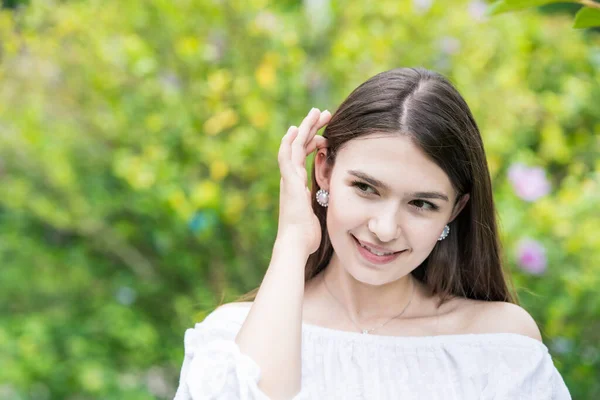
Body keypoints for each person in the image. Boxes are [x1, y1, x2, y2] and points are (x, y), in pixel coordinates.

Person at [173, 67, 572, 399]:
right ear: (324, 169)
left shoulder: (497, 344)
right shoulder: (232, 337)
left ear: (456, 210)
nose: (384, 229)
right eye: (366, 188)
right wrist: (292, 242)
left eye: (421, 204)